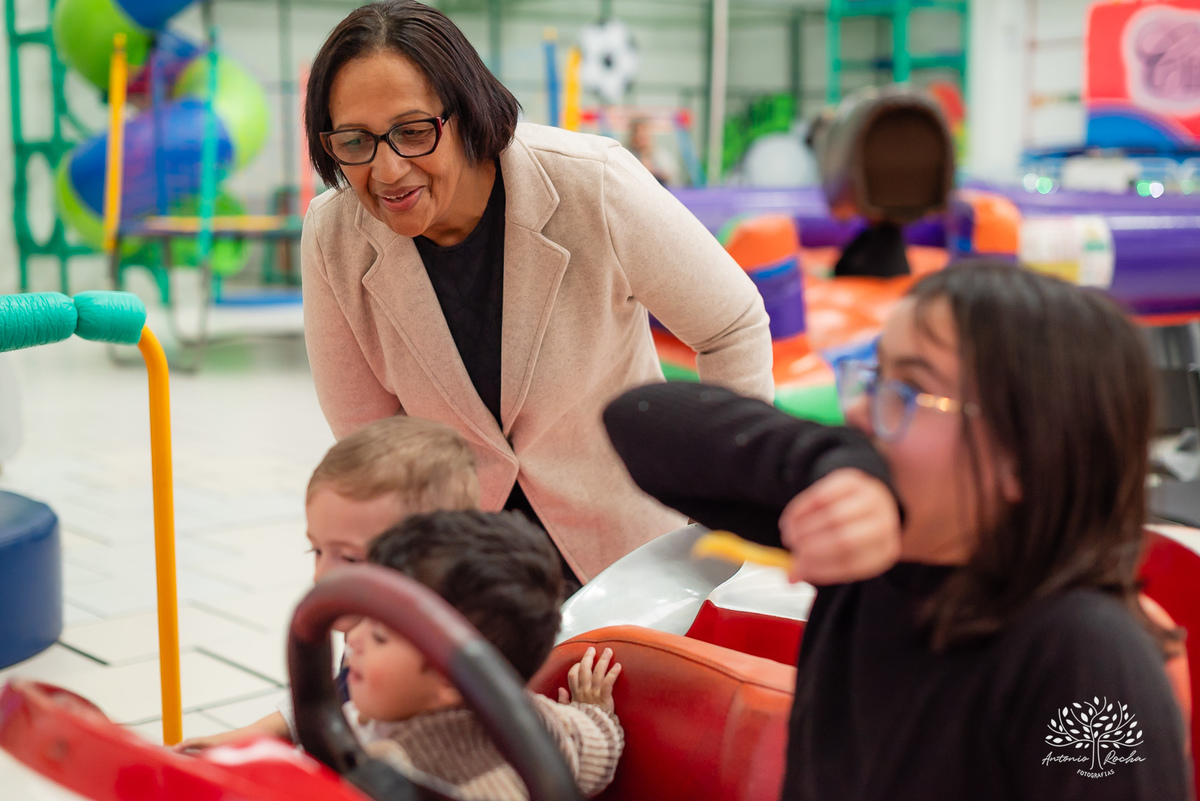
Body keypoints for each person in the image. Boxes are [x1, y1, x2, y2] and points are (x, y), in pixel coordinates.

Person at [603, 262, 1193, 799]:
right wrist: (835, 464)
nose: (860, 412)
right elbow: (641, 420)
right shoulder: (874, 544)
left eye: (908, 390)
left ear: (1024, 456)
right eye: (873, 376)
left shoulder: (1088, 654)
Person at [301, 0, 773, 587]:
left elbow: (731, 323)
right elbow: (368, 436)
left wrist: (730, 497)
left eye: (414, 132)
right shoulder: (333, 234)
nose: (389, 169)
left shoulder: (592, 184)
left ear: (466, 111)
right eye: (355, 142)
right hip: (461, 558)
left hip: (619, 549)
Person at [175, 415, 481, 751]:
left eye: (349, 558)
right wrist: (245, 736)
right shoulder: (362, 629)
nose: (321, 574)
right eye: (316, 550)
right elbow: (332, 699)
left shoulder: (436, 661)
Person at [342, 510, 623, 799]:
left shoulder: (479, 786)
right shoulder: (394, 698)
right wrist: (594, 712)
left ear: (451, 679)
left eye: (379, 636)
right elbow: (590, 740)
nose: (352, 639)